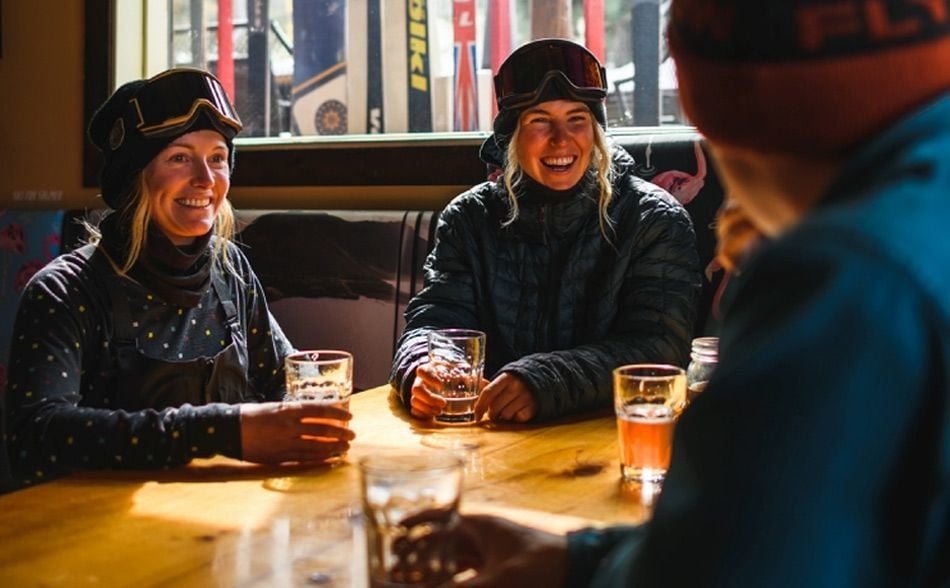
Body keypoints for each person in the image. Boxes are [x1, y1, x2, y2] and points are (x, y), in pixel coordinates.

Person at [436, 1, 950, 585]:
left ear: (746, 122)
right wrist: (580, 558)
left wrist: (584, 572)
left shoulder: (835, 270)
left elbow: (737, 565)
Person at [2, 68, 353, 489]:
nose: (205, 180)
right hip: (98, 535)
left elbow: (286, 379)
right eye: (180, 158)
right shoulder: (65, 290)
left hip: (222, 526)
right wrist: (225, 432)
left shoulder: (229, 270)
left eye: (218, 158)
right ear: (135, 178)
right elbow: (36, 436)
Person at [389, 39, 701, 423]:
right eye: (540, 120)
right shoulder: (469, 218)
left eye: (576, 119)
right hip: (490, 438)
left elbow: (658, 348)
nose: (561, 139)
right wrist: (428, 368)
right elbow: (435, 320)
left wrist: (543, 381)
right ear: (512, 136)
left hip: (609, 438)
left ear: (596, 132)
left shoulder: (653, 219)